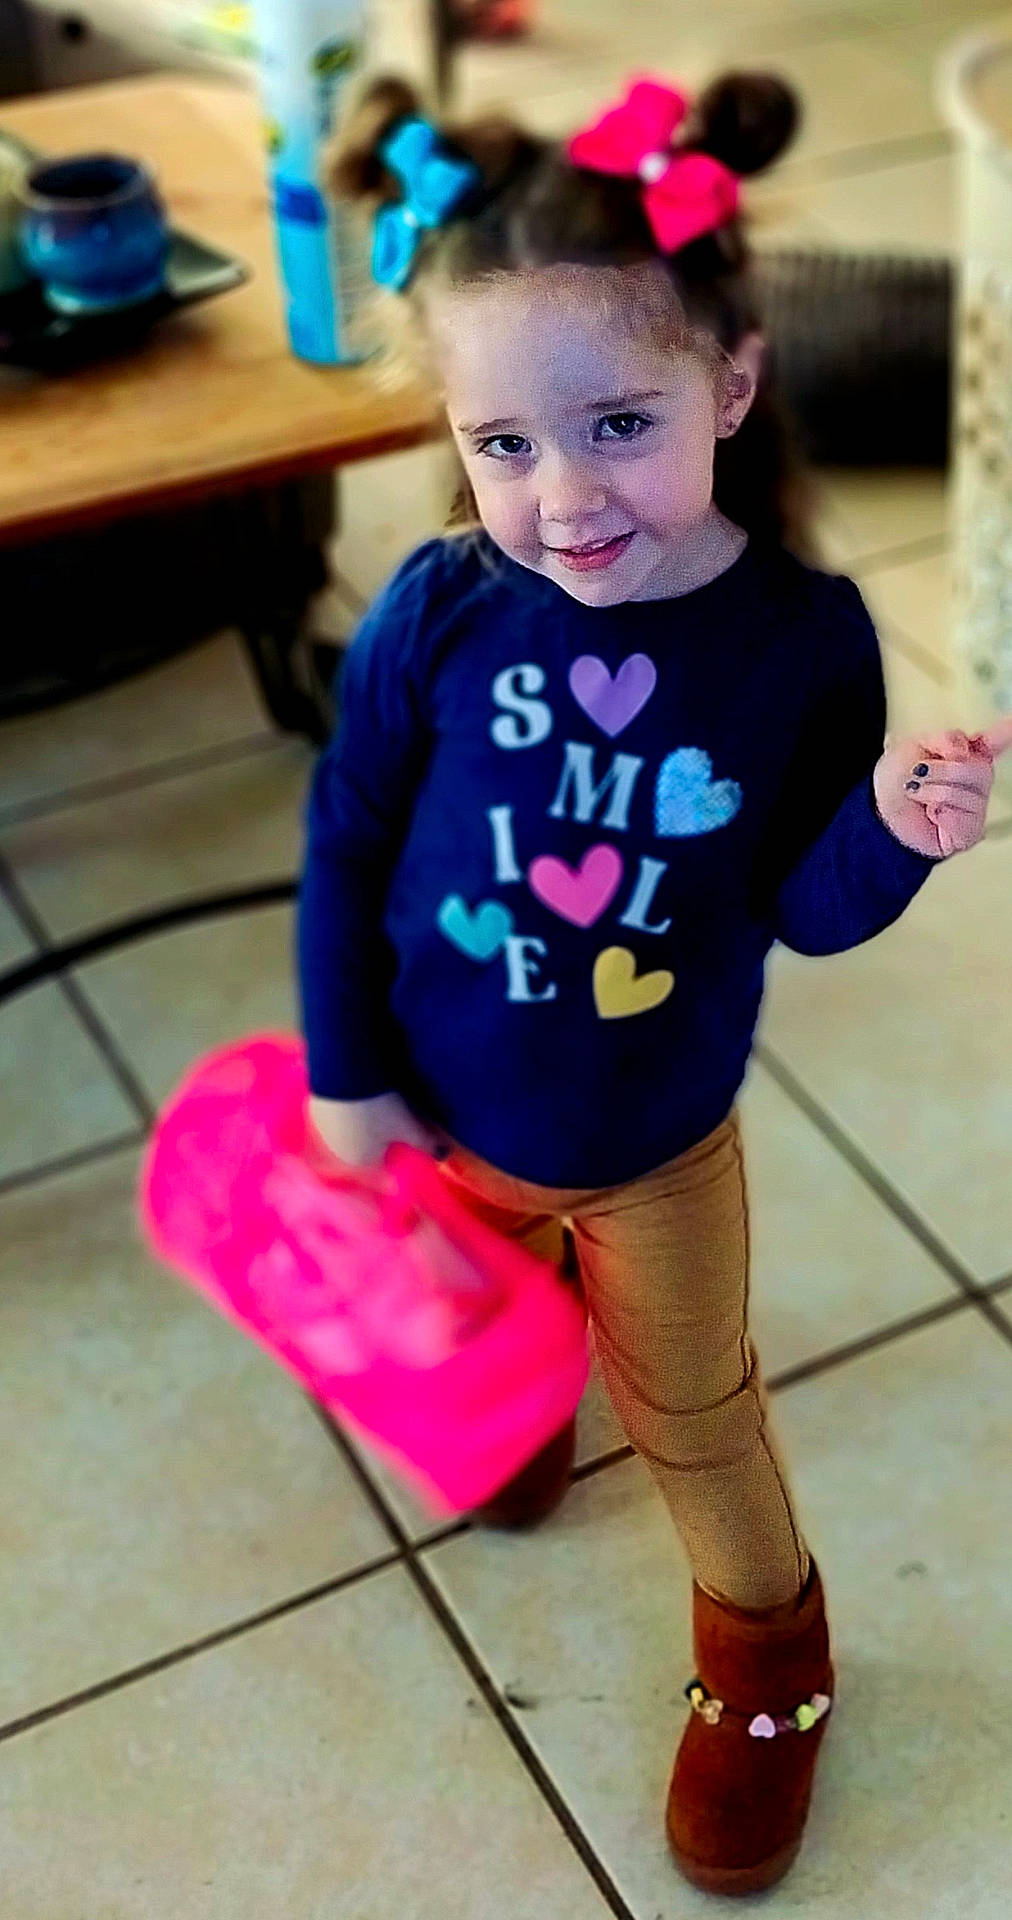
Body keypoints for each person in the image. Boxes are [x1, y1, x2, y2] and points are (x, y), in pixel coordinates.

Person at [297, 68, 1012, 1897]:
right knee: (485, 1311)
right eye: (503, 443)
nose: (563, 496)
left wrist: (891, 834)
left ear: (734, 384)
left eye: (617, 422)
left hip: (654, 1140)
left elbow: (805, 911)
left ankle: (775, 1667)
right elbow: (353, 834)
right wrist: (346, 1068)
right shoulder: (438, 610)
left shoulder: (798, 642)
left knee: (696, 1419)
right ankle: (527, 1401)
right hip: (452, 1112)